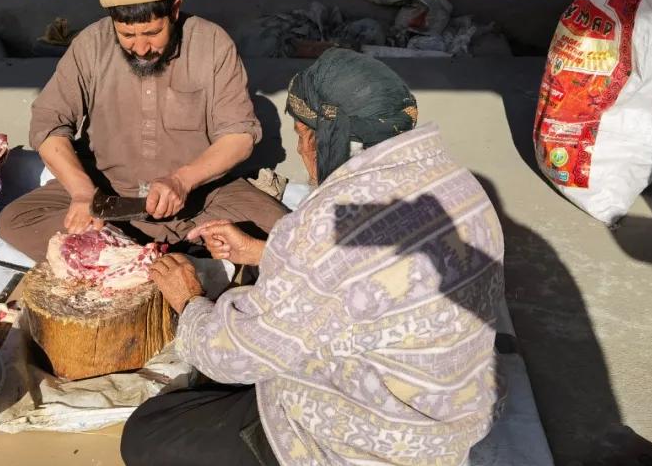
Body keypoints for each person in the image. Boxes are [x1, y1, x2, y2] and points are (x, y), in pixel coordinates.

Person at [123, 48, 506, 466]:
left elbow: (230, 357)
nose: (302, 151)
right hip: (448, 423)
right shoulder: (459, 183)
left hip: (367, 445)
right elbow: (375, 275)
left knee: (149, 431)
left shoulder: (333, 220)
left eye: (302, 134)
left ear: (322, 136)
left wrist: (188, 300)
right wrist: (262, 251)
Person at [0, 0, 287, 259]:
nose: (140, 48)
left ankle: (127, 255)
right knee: (16, 221)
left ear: (174, 10)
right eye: (127, 35)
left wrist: (182, 180)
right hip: (108, 198)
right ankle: (140, 257)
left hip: (200, 199)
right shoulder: (90, 45)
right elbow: (48, 125)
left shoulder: (212, 43)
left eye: (152, 33)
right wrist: (82, 192)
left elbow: (239, 137)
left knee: (290, 235)